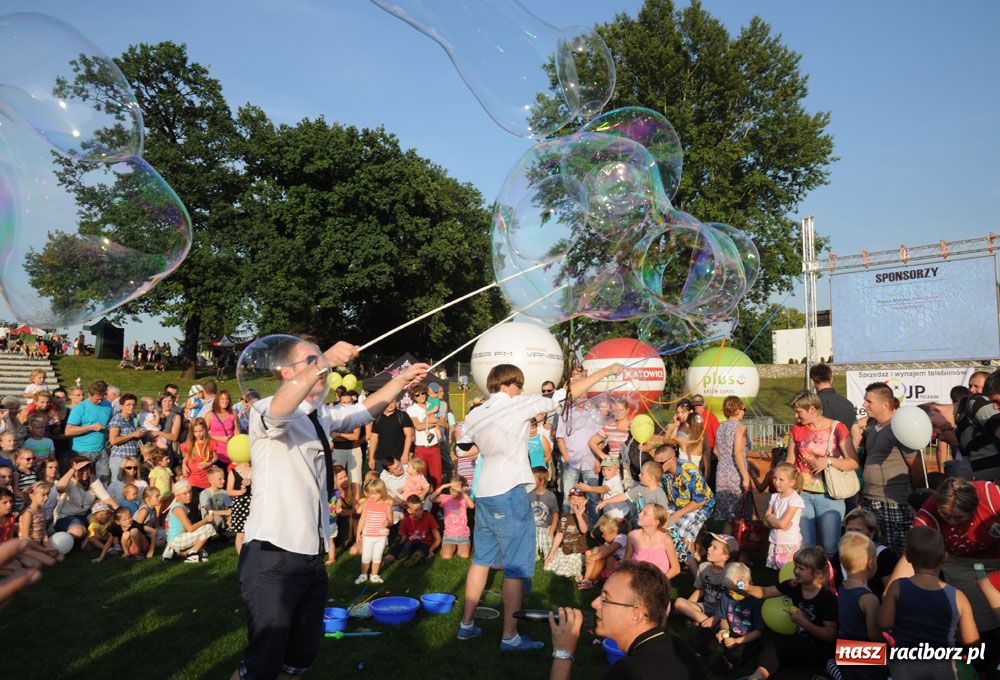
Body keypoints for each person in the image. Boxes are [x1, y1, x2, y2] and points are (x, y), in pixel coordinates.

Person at [233, 336, 428, 680]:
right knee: (261, 666)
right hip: (272, 554)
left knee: (297, 662)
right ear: (285, 372)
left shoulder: (320, 414)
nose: (320, 368)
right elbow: (280, 410)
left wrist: (401, 380)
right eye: (309, 361)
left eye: (318, 361)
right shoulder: (266, 409)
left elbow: (364, 411)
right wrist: (322, 361)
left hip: (310, 557)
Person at [458, 362, 622, 651]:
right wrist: (606, 371)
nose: (522, 390)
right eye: (519, 385)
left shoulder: (476, 412)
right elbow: (568, 394)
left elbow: (462, 448)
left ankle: (466, 626)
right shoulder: (516, 405)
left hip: (484, 492)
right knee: (515, 568)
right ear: (507, 385)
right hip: (509, 493)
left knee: (481, 560)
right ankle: (510, 637)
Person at [547, 560, 707, 680]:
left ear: (636, 614)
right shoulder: (678, 646)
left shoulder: (630, 672)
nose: (594, 603)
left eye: (605, 599)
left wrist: (563, 652)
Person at [878, 526, 979, 680]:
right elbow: (971, 640)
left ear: (907, 557)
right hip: (943, 669)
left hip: (905, 667)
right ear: (945, 557)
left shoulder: (897, 587)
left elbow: (884, 623)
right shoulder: (959, 597)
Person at [738, 546, 838, 680]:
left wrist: (804, 623)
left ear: (818, 574)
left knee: (776, 645)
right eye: (796, 566)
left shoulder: (827, 598)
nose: (796, 571)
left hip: (819, 650)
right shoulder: (793, 585)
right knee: (768, 640)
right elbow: (765, 592)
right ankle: (754, 675)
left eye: (801, 568)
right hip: (799, 641)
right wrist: (748, 588)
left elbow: (830, 635)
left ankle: (757, 676)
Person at [786, 390, 858, 556]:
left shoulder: (838, 428)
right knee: (806, 546)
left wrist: (828, 461)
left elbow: (853, 462)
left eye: (798, 412)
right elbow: (790, 459)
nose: (796, 416)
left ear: (812, 409)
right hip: (802, 495)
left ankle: (830, 573)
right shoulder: (796, 429)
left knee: (830, 547)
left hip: (829, 496)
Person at [859, 382, 923, 555]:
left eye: (869, 401)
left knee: (894, 553)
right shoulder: (870, 428)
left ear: (885, 404)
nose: (864, 404)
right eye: (865, 400)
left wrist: (917, 499)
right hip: (869, 499)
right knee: (872, 551)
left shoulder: (899, 428)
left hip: (893, 503)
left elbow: (915, 466)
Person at [828, 531, 886, 680]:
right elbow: (874, 635)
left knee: (832, 663)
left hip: (844, 650)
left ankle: (838, 671)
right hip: (864, 657)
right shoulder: (869, 599)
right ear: (871, 563)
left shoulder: (844, 586)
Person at [656, 445, 714, 565]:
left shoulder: (690, 471)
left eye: (660, 463)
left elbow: (700, 500)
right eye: (655, 463)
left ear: (672, 460)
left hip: (701, 505)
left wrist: (678, 514)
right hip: (678, 504)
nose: (657, 467)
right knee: (660, 524)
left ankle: (690, 565)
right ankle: (697, 553)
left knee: (681, 533)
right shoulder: (663, 473)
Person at [712, 395, 752, 535]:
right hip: (736, 473)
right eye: (743, 409)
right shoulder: (740, 428)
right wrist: (745, 476)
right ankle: (740, 544)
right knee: (739, 514)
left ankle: (725, 544)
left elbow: (715, 450)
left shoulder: (721, 427)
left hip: (722, 472)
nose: (744, 412)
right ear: (736, 410)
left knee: (728, 518)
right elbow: (738, 453)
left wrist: (725, 461)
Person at [715, 562, 765, 672]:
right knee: (709, 636)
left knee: (740, 652)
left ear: (749, 585)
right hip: (732, 633)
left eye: (737, 591)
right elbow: (724, 619)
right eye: (730, 591)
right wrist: (724, 631)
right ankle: (703, 653)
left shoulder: (755, 601)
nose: (733, 595)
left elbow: (758, 632)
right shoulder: (725, 596)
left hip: (748, 637)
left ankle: (729, 664)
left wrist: (737, 641)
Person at [64, 382, 114, 485]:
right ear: (89, 394)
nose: (99, 401)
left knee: (104, 481)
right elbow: (68, 431)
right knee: (82, 482)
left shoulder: (107, 405)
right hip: (83, 451)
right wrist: (91, 427)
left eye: (102, 398)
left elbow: (110, 422)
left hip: (102, 450)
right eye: (97, 399)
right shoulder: (79, 408)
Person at [163, 479, 217, 563]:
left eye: (190, 492)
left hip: (175, 539)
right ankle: (192, 554)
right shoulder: (179, 508)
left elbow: (186, 528)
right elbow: (190, 529)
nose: (189, 495)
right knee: (209, 527)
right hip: (177, 540)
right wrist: (205, 520)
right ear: (177, 496)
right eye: (185, 493)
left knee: (203, 552)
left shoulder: (181, 506)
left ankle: (175, 552)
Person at [764, 462, 804, 569]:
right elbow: (765, 521)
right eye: (775, 478)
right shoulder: (774, 497)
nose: (776, 482)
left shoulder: (795, 499)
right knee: (778, 571)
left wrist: (770, 519)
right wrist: (772, 520)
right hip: (775, 540)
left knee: (788, 572)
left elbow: (782, 524)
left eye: (781, 479)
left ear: (792, 482)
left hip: (789, 543)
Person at [624, 503, 680, 579]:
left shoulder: (665, 540)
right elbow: (626, 562)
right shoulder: (632, 536)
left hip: (657, 581)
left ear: (655, 522)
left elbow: (676, 569)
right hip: (637, 580)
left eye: (645, 513)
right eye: (641, 511)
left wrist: (659, 582)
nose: (639, 514)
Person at [544, 488, 590, 579]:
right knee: (548, 565)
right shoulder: (565, 516)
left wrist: (578, 515)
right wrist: (551, 553)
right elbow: (559, 534)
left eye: (579, 499)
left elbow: (584, 530)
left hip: (578, 552)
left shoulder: (583, 516)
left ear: (584, 501)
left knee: (563, 571)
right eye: (572, 498)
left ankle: (580, 570)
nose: (575, 501)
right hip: (566, 550)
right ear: (568, 501)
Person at [383, 494, 441, 566]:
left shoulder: (429, 517)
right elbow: (403, 538)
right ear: (409, 510)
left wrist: (431, 550)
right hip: (411, 542)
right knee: (403, 545)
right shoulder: (406, 521)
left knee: (423, 549)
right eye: (416, 510)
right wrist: (399, 542)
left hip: (425, 543)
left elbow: (438, 539)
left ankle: (416, 557)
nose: (420, 512)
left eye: (421, 509)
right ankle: (387, 559)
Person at [356, 478, 391, 583]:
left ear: (382, 492)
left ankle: (374, 575)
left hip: (380, 537)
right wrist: (358, 533)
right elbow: (362, 519)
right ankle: (363, 574)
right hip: (368, 535)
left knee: (377, 556)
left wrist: (387, 522)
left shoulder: (386, 505)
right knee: (366, 556)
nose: (372, 496)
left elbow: (391, 520)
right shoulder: (367, 504)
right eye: (370, 493)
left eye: (375, 494)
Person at [430, 473, 474, 559]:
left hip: (463, 534)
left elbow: (472, 506)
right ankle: (450, 547)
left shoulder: (464, 499)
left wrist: (463, 492)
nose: (453, 490)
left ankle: (458, 547)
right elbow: (431, 498)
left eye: (456, 488)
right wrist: (442, 487)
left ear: (462, 488)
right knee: (446, 556)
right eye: (451, 487)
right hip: (449, 534)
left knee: (464, 555)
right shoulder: (445, 498)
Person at [368, 400, 414, 472]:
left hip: (398, 457)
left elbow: (409, 435)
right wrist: (371, 458)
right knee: (381, 478)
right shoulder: (378, 417)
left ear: (396, 403)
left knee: (400, 478)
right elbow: (374, 438)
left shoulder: (402, 415)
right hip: (380, 458)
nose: (391, 405)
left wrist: (405, 454)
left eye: (393, 402)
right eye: (388, 403)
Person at [809, 363, 857, 429]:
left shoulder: (811, 404)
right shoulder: (848, 404)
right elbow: (856, 432)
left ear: (812, 382)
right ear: (831, 379)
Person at [530, 466, 560, 560]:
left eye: (533, 479)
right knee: (530, 554)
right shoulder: (529, 494)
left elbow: (555, 515)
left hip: (546, 529)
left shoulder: (550, 496)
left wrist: (552, 530)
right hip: (532, 528)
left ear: (542, 481)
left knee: (550, 554)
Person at [206, 390, 239, 466]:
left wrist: (237, 443)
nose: (225, 401)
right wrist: (220, 438)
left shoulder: (233, 414)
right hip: (216, 453)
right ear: (217, 400)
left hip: (231, 452)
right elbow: (204, 434)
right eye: (222, 399)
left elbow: (236, 431)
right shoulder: (210, 415)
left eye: (227, 399)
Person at [227, 455, 252, 554]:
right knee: (241, 533)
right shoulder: (233, 472)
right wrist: (240, 492)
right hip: (241, 506)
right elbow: (229, 491)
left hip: (255, 504)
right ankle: (242, 558)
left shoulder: (256, 469)